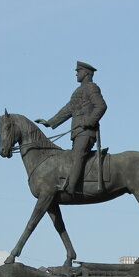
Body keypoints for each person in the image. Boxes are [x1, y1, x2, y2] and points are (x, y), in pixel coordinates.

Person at [35, 60, 107, 195]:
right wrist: (50, 122)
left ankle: (71, 188)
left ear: (85, 73)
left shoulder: (92, 87)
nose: (76, 75)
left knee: (78, 156)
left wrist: (89, 121)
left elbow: (101, 106)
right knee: (74, 157)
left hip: (86, 132)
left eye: (78, 72)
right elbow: (68, 110)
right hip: (78, 132)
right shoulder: (79, 91)